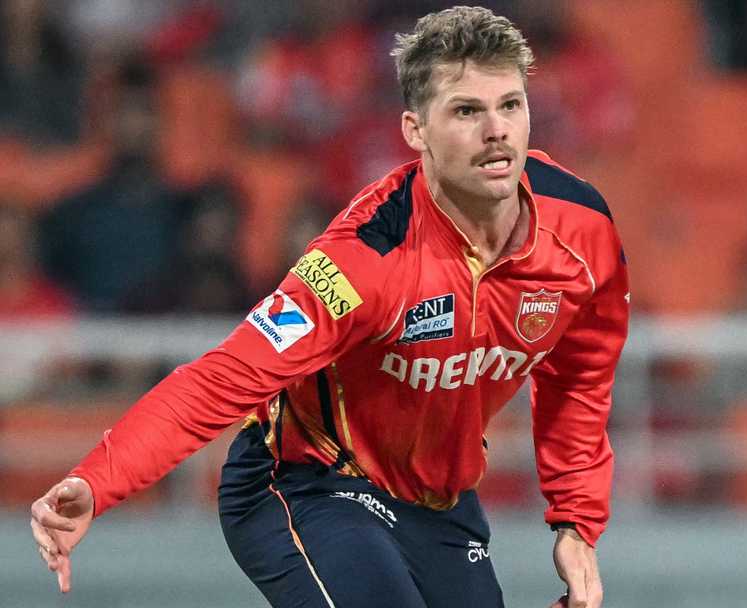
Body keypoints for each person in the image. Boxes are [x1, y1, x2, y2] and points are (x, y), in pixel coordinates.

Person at [29, 7, 628, 608]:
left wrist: (576, 523)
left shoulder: (584, 230)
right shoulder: (362, 257)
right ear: (416, 130)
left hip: (438, 504)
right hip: (306, 479)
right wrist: (97, 480)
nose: (496, 130)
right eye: (466, 111)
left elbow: (579, 377)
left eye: (510, 105)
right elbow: (223, 378)